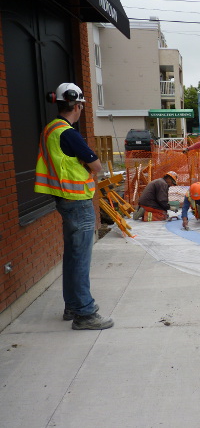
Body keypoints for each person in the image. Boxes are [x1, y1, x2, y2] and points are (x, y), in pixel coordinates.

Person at [34, 83, 113, 330]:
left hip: (64, 200)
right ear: (77, 106)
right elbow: (97, 165)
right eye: (81, 106)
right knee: (80, 257)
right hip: (77, 201)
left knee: (72, 255)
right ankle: (84, 313)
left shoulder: (50, 130)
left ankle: (72, 306)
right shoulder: (68, 133)